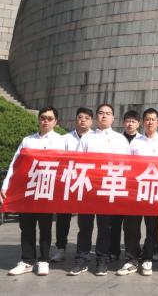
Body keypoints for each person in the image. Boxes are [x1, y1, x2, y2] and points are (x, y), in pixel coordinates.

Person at [1, 106, 66, 276]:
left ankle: (44, 260)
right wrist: (6, 185)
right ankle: (27, 260)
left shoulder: (61, 141)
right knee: (27, 226)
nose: (45, 121)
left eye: (49, 118)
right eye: (43, 117)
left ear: (55, 121)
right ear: (39, 119)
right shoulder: (28, 140)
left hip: (47, 190)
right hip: (28, 190)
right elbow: (15, 164)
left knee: (45, 226)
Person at [69, 104, 130, 276]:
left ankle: (102, 260)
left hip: (108, 189)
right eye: (101, 113)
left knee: (105, 227)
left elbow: (126, 165)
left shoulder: (120, 139)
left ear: (113, 118)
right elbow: (78, 161)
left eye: (108, 113)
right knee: (85, 227)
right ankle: (81, 259)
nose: (104, 116)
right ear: (96, 117)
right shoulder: (87, 139)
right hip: (88, 188)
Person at [116, 108, 158, 277]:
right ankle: (131, 259)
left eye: (153, 119)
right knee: (131, 227)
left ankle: (147, 258)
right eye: (147, 119)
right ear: (143, 122)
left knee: (152, 227)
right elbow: (127, 165)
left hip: (155, 191)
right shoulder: (135, 142)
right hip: (136, 191)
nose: (150, 122)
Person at [51, 107, 94, 263]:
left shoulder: (96, 138)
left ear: (91, 121)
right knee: (63, 218)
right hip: (67, 182)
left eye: (86, 118)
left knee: (86, 220)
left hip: (87, 183)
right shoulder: (65, 138)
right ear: (76, 119)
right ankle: (60, 248)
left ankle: (84, 250)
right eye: (80, 117)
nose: (83, 120)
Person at [109, 110, 142, 261]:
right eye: (128, 121)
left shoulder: (143, 140)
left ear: (138, 124)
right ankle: (113, 250)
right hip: (117, 183)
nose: (130, 124)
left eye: (133, 121)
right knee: (114, 221)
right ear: (123, 123)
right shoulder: (115, 139)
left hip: (135, 187)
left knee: (133, 224)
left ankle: (134, 250)